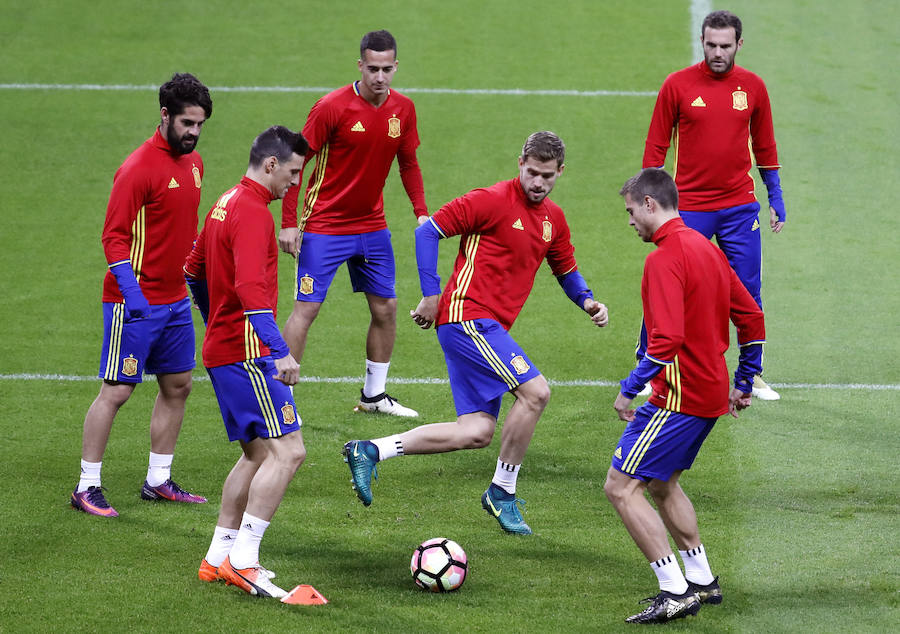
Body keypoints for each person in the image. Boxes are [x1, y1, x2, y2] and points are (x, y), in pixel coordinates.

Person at [343, 132, 609, 535]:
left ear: (560, 173)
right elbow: (426, 231)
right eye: (533, 172)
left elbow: (566, 270)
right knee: (536, 392)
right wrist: (432, 295)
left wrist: (588, 301)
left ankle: (371, 450)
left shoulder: (554, 219)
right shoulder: (491, 199)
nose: (538, 183)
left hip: (487, 327)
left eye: (548, 176)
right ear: (520, 162)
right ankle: (502, 492)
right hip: (468, 318)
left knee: (476, 432)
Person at [605, 168, 766, 624]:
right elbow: (751, 318)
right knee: (661, 482)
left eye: (632, 211)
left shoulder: (663, 259)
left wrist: (629, 389)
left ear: (651, 205)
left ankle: (674, 590)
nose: (630, 221)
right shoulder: (707, 250)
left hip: (678, 397)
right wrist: (744, 379)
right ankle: (702, 579)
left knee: (621, 487)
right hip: (711, 391)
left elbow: (666, 339)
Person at [71, 73, 212, 518]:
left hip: (173, 301)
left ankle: (158, 480)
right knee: (116, 390)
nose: (193, 132)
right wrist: (132, 294)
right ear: (165, 115)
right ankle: (86, 486)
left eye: (200, 124)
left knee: (178, 385)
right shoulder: (137, 169)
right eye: (187, 122)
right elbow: (113, 237)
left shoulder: (195, 164)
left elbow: (186, 233)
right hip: (132, 302)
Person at [185, 126, 309, 599]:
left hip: (223, 346)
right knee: (289, 452)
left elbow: (192, 269)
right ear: (272, 164)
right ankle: (246, 561)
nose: (294, 185)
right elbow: (253, 295)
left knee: (256, 454)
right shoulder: (255, 213)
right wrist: (280, 352)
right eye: (293, 173)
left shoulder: (224, 201)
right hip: (247, 353)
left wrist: (211, 314)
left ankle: (218, 556)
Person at [278, 29, 427, 417]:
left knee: (386, 307)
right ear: (360, 65)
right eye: (373, 68)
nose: (380, 77)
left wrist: (421, 212)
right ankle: (280, 400)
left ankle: (374, 396)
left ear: (396, 67)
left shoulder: (404, 110)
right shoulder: (331, 107)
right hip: (324, 226)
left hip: (372, 226)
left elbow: (408, 164)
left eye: (387, 69)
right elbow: (298, 163)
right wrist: (289, 222)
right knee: (306, 310)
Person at [642, 9, 784, 400]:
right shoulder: (678, 85)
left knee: (748, 291)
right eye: (710, 45)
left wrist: (776, 195)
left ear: (739, 44)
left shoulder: (753, 87)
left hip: (739, 208)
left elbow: (766, 145)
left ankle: (751, 374)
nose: (717, 53)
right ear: (703, 42)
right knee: (669, 289)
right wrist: (648, 202)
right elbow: (657, 146)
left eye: (725, 46)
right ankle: (649, 365)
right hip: (688, 209)